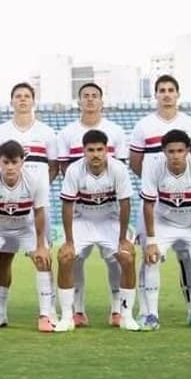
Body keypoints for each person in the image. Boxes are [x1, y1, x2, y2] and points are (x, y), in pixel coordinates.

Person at [129, 75, 191, 327]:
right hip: (154, 202)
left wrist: (178, 185)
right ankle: (148, 312)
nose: (166, 94)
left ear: (177, 94)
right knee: (149, 254)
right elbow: (135, 161)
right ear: (156, 95)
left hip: (186, 205)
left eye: (170, 90)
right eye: (161, 90)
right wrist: (158, 184)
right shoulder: (143, 125)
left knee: (185, 256)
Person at [0, 82, 58, 328]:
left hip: (35, 204)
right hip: (5, 205)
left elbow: (55, 166)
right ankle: (0, 312)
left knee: (43, 255)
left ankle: (48, 311)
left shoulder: (47, 132)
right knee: (4, 260)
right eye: (18, 96)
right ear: (12, 101)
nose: (23, 100)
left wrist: (34, 189)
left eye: (27, 96)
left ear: (33, 101)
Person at [57, 82, 128, 327]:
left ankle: (118, 310)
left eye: (94, 96)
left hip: (109, 212)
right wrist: (83, 187)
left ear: (101, 100)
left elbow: (121, 172)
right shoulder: (66, 133)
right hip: (80, 211)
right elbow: (65, 169)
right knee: (73, 259)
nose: (89, 99)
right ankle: (76, 311)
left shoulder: (116, 131)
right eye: (85, 96)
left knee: (116, 259)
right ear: (79, 101)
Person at [139, 129, 191, 331]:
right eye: (171, 151)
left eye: (180, 151)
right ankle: (152, 315)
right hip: (165, 222)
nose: (176, 156)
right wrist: (151, 242)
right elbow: (148, 205)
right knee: (152, 258)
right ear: (164, 152)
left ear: (188, 151)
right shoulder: (153, 168)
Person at [0, 140, 52, 333]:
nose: (9, 167)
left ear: (22, 161)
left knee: (43, 260)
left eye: (14, 162)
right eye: (5, 162)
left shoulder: (35, 181)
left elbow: (40, 214)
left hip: (25, 227)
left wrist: (41, 245)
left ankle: (45, 315)